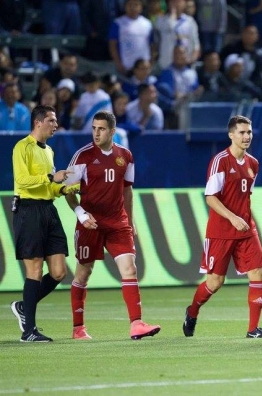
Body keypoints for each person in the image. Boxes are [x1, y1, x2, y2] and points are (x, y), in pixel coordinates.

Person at [63, 110, 161, 340]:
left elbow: (127, 190)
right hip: (91, 224)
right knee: (83, 273)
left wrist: (131, 219)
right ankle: (78, 329)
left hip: (118, 222)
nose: (96, 133)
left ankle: (136, 324)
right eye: (94, 128)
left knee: (130, 269)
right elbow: (66, 191)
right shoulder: (82, 156)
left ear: (113, 131)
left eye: (102, 129)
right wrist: (81, 213)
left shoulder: (125, 155)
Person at [182, 115, 262, 339]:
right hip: (221, 231)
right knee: (215, 282)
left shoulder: (253, 163)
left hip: (246, 230)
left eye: (249, 132)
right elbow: (210, 197)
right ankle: (192, 311)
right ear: (231, 135)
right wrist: (232, 218)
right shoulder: (220, 161)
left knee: (257, 272)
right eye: (241, 132)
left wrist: (246, 222)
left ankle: (253, 329)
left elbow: (245, 198)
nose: (246, 136)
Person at [10, 105, 73, 342]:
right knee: (35, 269)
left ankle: (24, 306)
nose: (55, 124)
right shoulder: (22, 147)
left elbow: (50, 187)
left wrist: (65, 188)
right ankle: (29, 332)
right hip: (28, 209)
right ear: (38, 122)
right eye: (51, 120)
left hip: (48, 209)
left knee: (58, 272)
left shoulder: (49, 151)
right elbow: (22, 181)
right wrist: (50, 178)